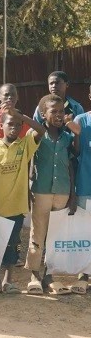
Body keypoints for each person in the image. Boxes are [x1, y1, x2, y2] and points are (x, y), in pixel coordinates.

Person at [0, 108, 45, 297]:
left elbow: (41, 130)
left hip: (16, 207)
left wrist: (21, 115)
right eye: (10, 123)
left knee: (13, 245)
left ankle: (9, 281)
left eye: (18, 125)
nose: (15, 127)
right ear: (1, 126)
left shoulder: (24, 145)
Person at [27, 95, 78, 295]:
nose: (58, 115)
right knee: (38, 232)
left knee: (55, 236)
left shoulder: (67, 138)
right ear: (43, 115)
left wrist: (72, 195)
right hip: (41, 190)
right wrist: (27, 188)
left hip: (63, 191)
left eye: (61, 111)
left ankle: (50, 274)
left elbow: (72, 166)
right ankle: (34, 274)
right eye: (53, 111)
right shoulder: (36, 135)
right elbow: (28, 162)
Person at [70, 84, 91, 294]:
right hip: (86, 184)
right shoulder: (81, 120)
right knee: (86, 232)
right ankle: (84, 274)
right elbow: (75, 154)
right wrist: (76, 134)